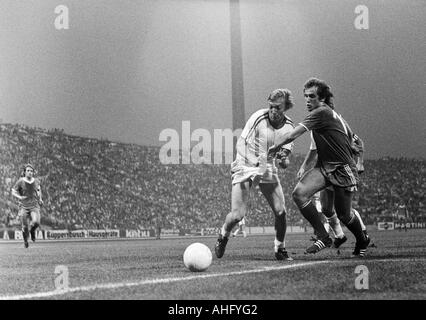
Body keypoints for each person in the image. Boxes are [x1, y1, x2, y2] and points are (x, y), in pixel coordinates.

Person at [269, 77, 369, 257]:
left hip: (342, 169)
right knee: (300, 194)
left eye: (312, 96)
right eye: (306, 96)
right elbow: (355, 141)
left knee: (344, 214)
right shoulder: (331, 114)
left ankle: (362, 240)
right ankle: (324, 235)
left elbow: (294, 134)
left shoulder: (321, 112)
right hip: (324, 167)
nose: (307, 100)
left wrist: (275, 147)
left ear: (321, 98)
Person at [215, 88, 295, 261]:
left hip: (267, 167)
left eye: (278, 108)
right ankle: (223, 235)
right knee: (237, 215)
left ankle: (279, 248)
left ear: (286, 108)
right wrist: (254, 163)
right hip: (245, 163)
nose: (273, 110)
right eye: (271, 106)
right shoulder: (259, 117)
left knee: (281, 211)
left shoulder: (289, 127)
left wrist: (283, 160)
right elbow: (241, 144)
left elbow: (285, 160)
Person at [298, 132, 372, 252]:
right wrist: (304, 166)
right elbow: (313, 149)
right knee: (326, 208)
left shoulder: (338, 125)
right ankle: (339, 236)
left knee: (345, 212)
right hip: (328, 170)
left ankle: (363, 236)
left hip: (343, 170)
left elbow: (359, 142)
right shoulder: (316, 128)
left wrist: (360, 162)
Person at [11, 164, 43, 248]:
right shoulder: (21, 181)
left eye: (31, 171)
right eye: (28, 170)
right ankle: (25, 240)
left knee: (36, 222)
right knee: (25, 227)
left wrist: (40, 199)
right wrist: (20, 197)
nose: (30, 172)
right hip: (24, 207)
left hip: (34, 206)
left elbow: (39, 190)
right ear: (25, 172)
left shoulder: (36, 181)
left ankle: (32, 231)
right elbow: (13, 191)